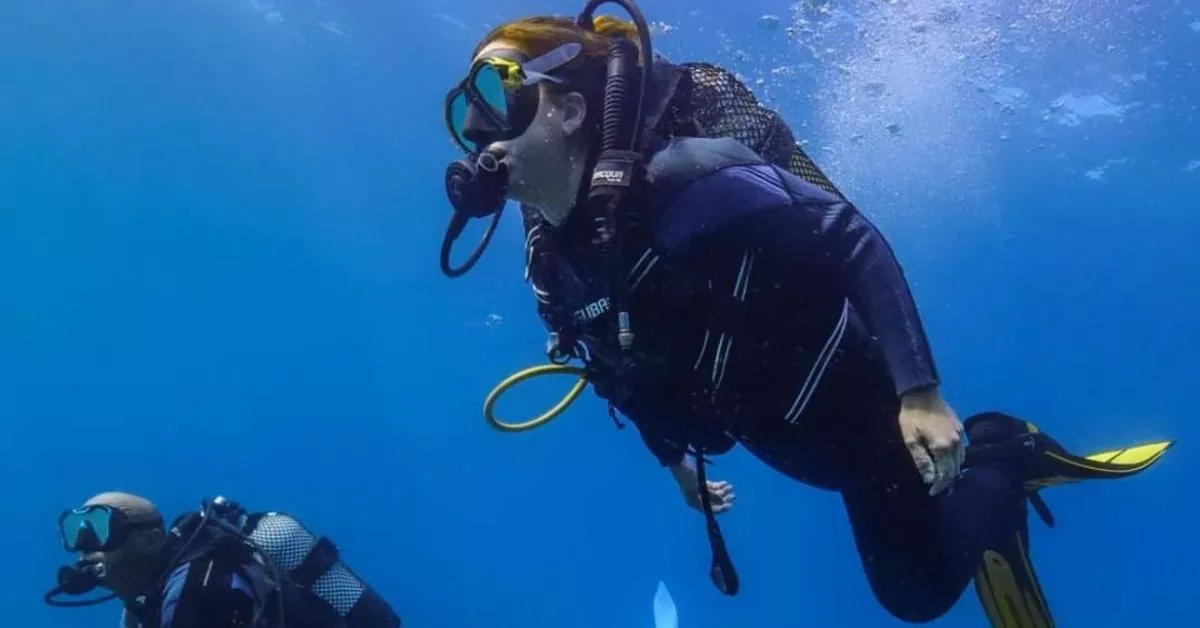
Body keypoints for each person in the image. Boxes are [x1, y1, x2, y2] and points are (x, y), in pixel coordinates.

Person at [439, 1, 1173, 626]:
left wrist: (920, 391)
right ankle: (988, 476)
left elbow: (850, 238)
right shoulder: (551, 263)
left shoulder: (690, 179)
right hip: (794, 439)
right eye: (466, 115)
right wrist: (672, 464)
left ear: (569, 109)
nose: (480, 130)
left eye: (496, 90)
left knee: (914, 596)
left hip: (862, 412)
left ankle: (1004, 450)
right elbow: (614, 363)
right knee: (907, 583)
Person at [45, 491, 402, 628]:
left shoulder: (195, 590)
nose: (84, 546)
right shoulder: (143, 608)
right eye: (75, 530)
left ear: (153, 540)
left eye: (99, 528)